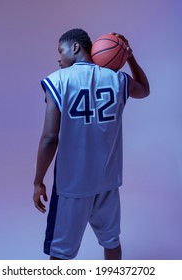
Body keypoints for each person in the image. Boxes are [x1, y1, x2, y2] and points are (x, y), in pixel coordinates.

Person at [33, 28, 150, 260]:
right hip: (107, 182)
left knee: (60, 253)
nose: (58, 57)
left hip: (72, 185)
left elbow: (49, 138)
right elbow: (144, 90)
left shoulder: (57, 80)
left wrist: (38, 181)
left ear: (75, 47)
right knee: (112, 242)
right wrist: (130, 56)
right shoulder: (117, 79)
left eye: (60, 49)